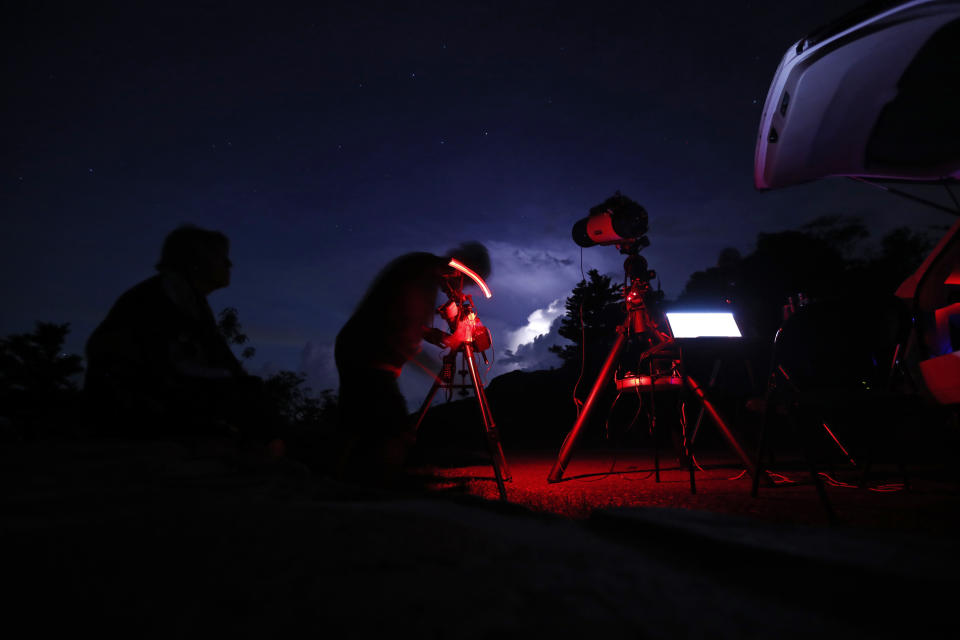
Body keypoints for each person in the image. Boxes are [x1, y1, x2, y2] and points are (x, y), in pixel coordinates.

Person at [84, 224, 281, 453]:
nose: (229, 265)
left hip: (144, 399)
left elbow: (219, 358)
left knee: (248, 393)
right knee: (246, 394)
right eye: (221, 258)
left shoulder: (186, 297)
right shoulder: (165, 295)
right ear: (197, 261)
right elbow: (170, 364)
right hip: (132, 406)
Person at [333, 241, 491, 485]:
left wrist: (432, 335)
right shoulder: (423, 277)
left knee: (354, 421)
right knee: (396, 432)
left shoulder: (417, 266)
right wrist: (452, 344)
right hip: (370, 356)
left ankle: (338, 481)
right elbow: (404, 335)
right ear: (457, 270)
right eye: (464, 283)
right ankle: (379, 488)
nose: (455, 291)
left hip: (355, 346)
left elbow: (397, 317)